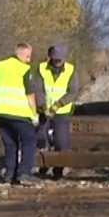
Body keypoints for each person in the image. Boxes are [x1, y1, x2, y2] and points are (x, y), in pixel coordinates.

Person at [0, 43, 42, 186]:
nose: (29, 59)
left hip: (1, 113)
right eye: (27, 56)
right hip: (20, 113)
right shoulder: (24, 69)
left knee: (10, 144)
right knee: (29, 141)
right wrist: (34, 114)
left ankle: (9, 173)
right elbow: (30, 94)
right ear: (19, 54)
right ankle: (24, 173)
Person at [37, 44, 80, 180]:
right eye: (56, 59)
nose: (58, 61)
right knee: (42, 139)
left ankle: (58, 168)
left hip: (62, 112)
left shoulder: (71, 70)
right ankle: (44, 163)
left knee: (61, 142)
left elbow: (73, 91)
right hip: (44, 111)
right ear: (51, 57)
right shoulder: (41, 69)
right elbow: (38, 89)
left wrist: (58, 104)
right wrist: (43, 106)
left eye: (61, 59)